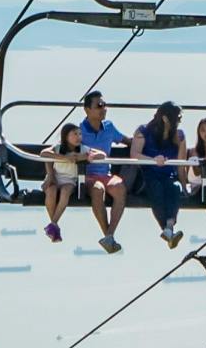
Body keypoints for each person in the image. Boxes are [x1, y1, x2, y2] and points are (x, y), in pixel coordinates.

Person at [75, 92, 130, 253]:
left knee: (120, 187)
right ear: (87, 110)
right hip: (87, 176)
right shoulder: (79, 131)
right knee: (98, 189)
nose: (103, 109)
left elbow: (126, 140)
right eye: (99, 106)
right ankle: (107, 234)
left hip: (105, 174)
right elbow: (66, 149)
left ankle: (110, 235)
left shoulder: (109, 127)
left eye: (104, 105)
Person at [131, 102, 187, 246]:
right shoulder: (143, 131)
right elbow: (134, 154)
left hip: (168, 175)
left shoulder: (179, 136)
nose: (179, 121)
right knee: (156, 189)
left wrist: (184, 184)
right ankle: (167, 228)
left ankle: (169, 227)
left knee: (174, 189)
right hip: (147, 176)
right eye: (177, 118)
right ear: (165, 119)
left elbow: (181, 163)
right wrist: (153, 160)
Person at [42, 122, 86, 243]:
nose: (78, 137)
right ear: (66, 136)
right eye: (75, 134)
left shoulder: (82, 149)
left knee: (65, 192)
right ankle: (54, 226)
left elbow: (99, 155)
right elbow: (44, 154)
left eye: (80, 134)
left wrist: (81, 157)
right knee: (51, 191)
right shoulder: (58, 148)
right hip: (55, 179)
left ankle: (53, 224)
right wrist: (65, 158)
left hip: (70, 180)